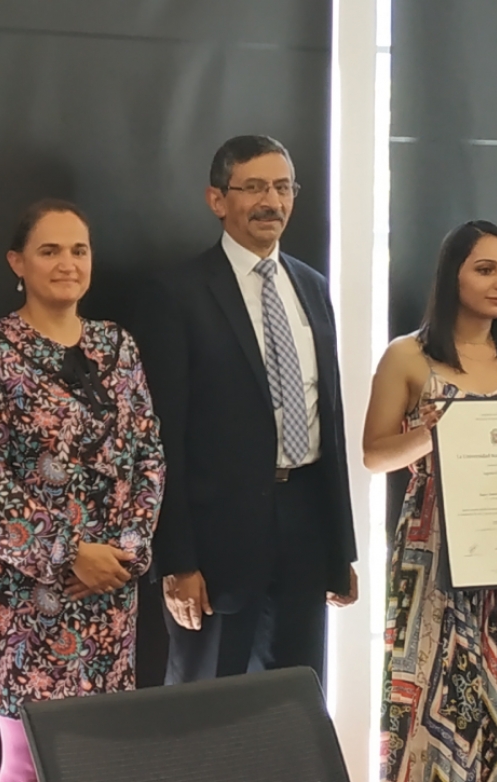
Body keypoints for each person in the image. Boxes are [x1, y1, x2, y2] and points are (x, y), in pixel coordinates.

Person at [0, 200, 164, 782]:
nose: (67, 262)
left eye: (79, 249)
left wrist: (127, 552)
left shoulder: (118, 347)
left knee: (95, 760)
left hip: (110, 590)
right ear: (17, 262)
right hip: (26, 594)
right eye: (50, 250)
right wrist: (70, 554)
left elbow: (148, 455)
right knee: (29, 762)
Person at [136, 134, 358, 684]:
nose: (272, 202)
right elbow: (163, 439)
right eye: (254, 187)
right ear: (218, 200)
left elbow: (327, 416)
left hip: (305, 527)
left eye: (283, 188)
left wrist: (340, 548)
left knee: (293, 700)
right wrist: (178, 561)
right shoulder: (177, 294)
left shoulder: (312, 286)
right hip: (217, 544)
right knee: (207, 708)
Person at [364, 220, 497, 782]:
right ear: (450, 276)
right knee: (441, 696)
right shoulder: (408, 357)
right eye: (484, 269)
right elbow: (373, 455)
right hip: (436, 555)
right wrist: (426, 435)